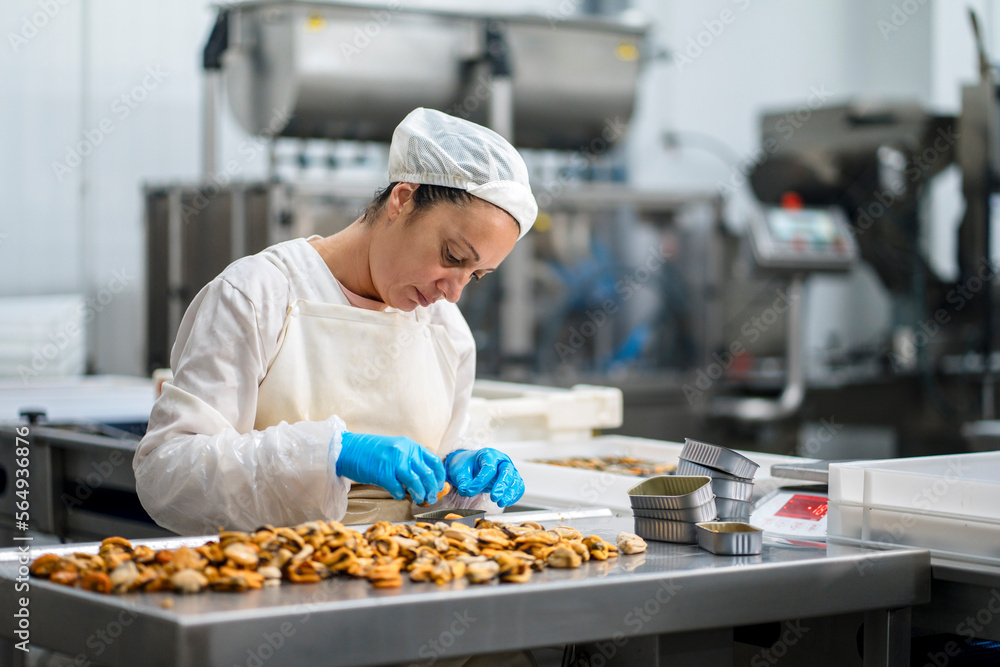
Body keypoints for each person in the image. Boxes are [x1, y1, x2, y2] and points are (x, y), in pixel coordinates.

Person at [134, 108, 536, 535]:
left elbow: (439, 503)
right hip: (271, 579)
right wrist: (327, 454)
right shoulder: (260, 294)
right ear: (403, 199)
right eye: (452, 256)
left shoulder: (446, 330)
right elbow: (168, 475)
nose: (453, 292)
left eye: (474, 275)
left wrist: (463, 475)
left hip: (401, 581)